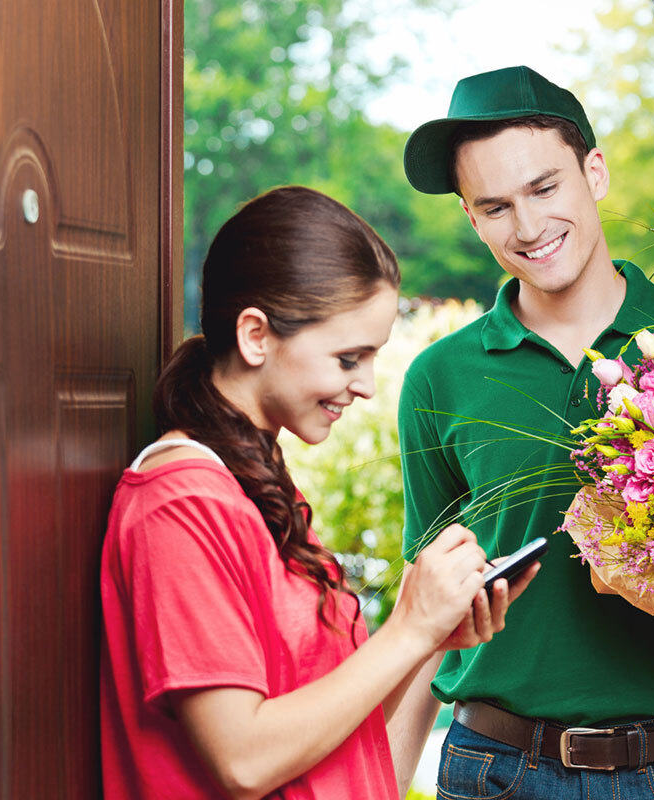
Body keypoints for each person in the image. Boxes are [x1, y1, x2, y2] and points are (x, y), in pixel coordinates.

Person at [99, 185, 536, 800]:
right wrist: (406, 630)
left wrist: (432, 635)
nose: (366, 385)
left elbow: (339, 738)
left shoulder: (255, 482)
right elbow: (244, 762)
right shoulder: (182, 506)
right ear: (256, 335)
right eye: (348, 357)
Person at [388, 67, 654, 799]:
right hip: (497, 769)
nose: (527, 227)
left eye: (544, 189)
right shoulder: (439, 379)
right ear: (471, 218)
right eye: (494, 207)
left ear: (594, 172)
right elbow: (426, 599)